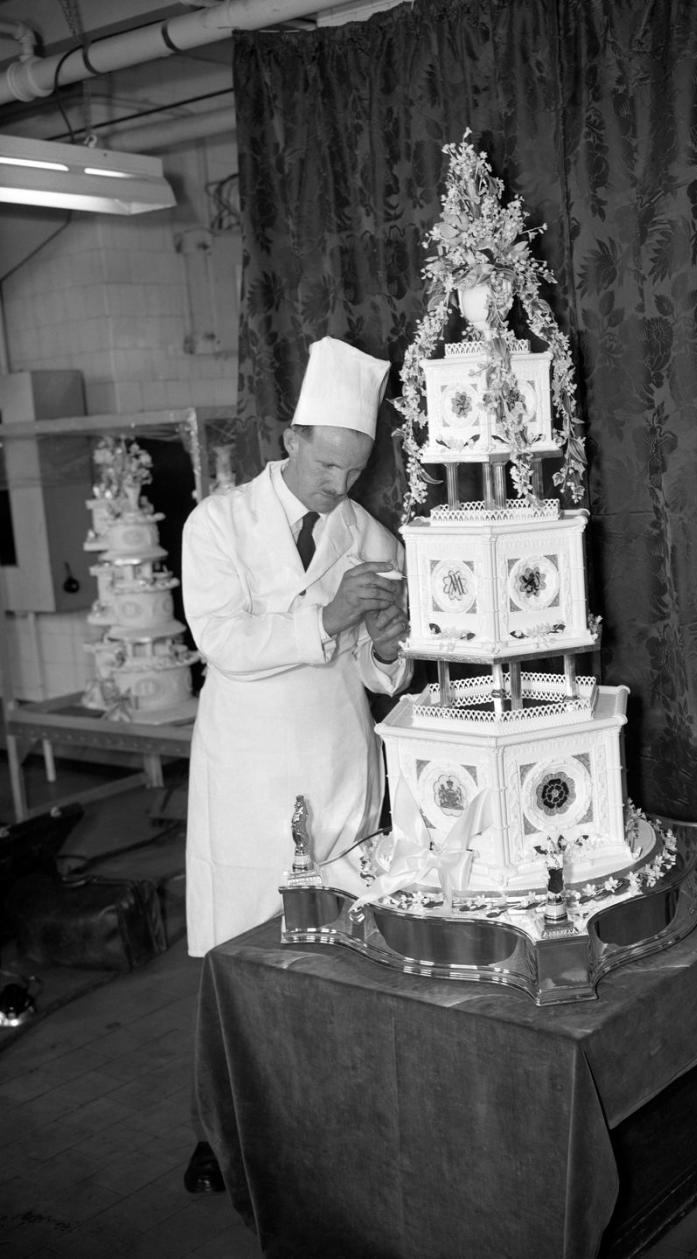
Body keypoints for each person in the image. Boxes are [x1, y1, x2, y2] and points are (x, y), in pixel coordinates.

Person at [180, 336, 411, 1193]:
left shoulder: (370, 536)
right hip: (247, 772)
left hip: (337, 760)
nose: (338, 487)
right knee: (238, 959)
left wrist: (390, 643)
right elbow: (228, 644)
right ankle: (221, 1130)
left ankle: (324, 1125)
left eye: (354, 471)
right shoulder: (218, 524)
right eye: (326, 465)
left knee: (336, 954)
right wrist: (329, 611)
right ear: (291, 438)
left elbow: (380, 671)